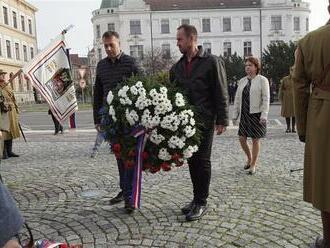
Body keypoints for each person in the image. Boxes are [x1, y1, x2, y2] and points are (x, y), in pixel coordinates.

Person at [170, 24, 229, 221]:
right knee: (192, 160)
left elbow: (221, 90)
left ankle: (202, 202)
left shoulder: (211, 62)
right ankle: (195, 199)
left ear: (192, 39)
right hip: (185, 123)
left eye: (180, 39)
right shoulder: (176, 68)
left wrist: (222, 118)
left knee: (202, 160)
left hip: (205, 120)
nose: (177, 43)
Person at [292, 3, 330, 247]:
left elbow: (299, 86)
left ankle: (328, 240)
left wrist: (303, 127)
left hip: (322, 117)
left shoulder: (309, 41)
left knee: (326, 180)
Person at [93, 31, 142, 213]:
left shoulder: (131, 62)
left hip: (129, 118)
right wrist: (97, 119)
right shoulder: (101, 66)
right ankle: (124, 190)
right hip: (109, 119)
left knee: (128, 157)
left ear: (119, 43)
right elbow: (97, 93)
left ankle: (130, 197)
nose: (107, 49)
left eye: (111, 45)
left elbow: (142, 86)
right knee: (119, 156)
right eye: (105, 46)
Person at [232, 57, 270, 175]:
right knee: (242, 138)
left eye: (250, 65)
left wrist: (264, 115)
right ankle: (249, 158)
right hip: (244, 114)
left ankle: (253, 164)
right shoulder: (242, 81)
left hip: (257, 114)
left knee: (255, 140)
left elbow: (266, 99)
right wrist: (235, 115)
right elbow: (237, 99)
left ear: (256, 67)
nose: (247, 67)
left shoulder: (262, 80)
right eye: (246, 65)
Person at [0, 70, 20, 159]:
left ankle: (9, 151)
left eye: (4, 74)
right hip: (3, 112)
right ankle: (3, 152)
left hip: (11, 111)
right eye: (2, 75)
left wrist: (16, 108)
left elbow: (12, 97)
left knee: (11, 131)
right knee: (4, 132)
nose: (3, 76)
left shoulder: (6, 84)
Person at [279, 68, 296, 133]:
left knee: (294, 114)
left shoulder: (297, 79)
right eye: (291, 70)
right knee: (287, 114)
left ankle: (293, 128)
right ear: (290, 71)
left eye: (294, 71)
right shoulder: (285, 79)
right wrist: (281, 97)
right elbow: (281, 88)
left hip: (294, 98)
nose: (292, 72)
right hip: (286, 98)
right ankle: (288, 127)